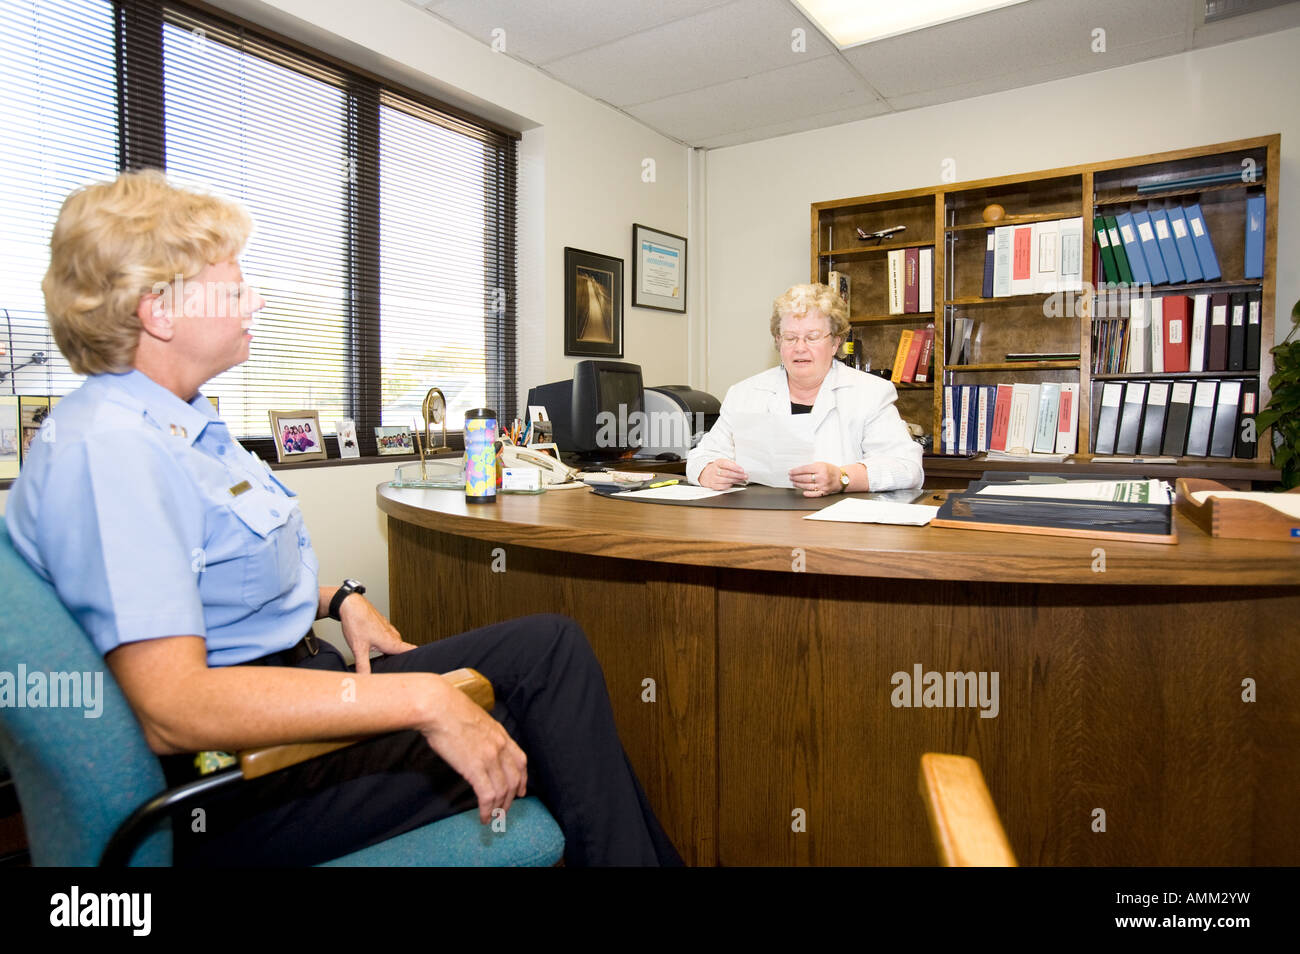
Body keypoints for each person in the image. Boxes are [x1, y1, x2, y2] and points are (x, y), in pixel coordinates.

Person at [6, 170, 681, 866]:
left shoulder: (179, 422)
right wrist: (425, 702)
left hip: (296, 689)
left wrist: (338, 599)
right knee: (543, 716)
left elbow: (206, 576)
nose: (256, 301)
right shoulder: (113, 450)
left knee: (550, 651)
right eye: (235, 289)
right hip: (242, 776)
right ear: (160, 310)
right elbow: (174, 707)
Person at [687, 282, 923, 495]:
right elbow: (700, 456)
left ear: (835, 343)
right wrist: (708, 471)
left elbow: (907, 468)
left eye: (812, 337)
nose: (800, 348)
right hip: (761, 520)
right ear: (778, 342)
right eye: (790, 338)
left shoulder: (870, 393)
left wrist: (842, 478)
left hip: (839, 524)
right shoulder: (744, 394)